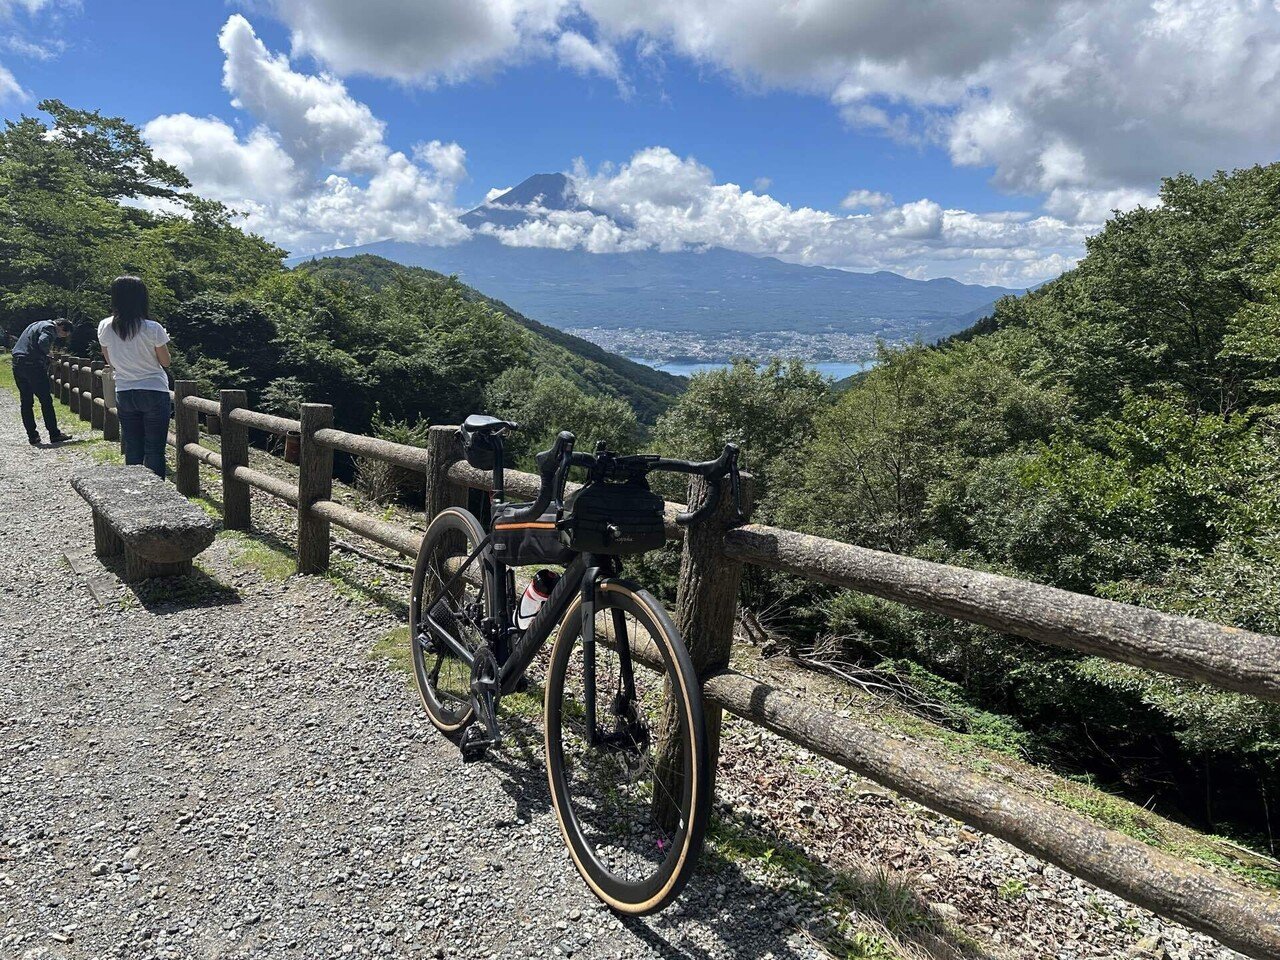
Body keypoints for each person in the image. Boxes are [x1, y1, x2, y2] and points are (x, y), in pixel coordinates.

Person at [98, 276, 172, 478]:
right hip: (154, 390)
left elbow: (110, 360)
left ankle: (134, 493)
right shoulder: (152, 328)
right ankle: (156, 496)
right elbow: (165, 362)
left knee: (133, 448)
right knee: (155, 450)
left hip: (124, 390)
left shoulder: (105, 326)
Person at [11, 317, 73, 446]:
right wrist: (48, 354)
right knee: (46, 400)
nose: (61, 337)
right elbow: (43, 341)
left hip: (18, 363)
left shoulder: (35, 324)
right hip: (33, 365)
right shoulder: (49, 328)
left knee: (26, 402)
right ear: (61, 327)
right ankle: (54, 434)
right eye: (63, 334)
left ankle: (32, 436)